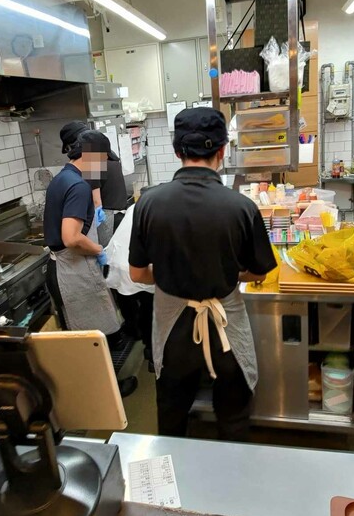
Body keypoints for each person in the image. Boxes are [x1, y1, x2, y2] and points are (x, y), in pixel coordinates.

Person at [129, 107, 277, 441]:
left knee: (171, 414)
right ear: (222, 150)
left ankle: (172, 484)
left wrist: (168, 271)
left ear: (177, 150)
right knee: (234, 414)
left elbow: (137, 274)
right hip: (226, 327)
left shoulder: (149, 203)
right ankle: (231, 480)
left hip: (172, 332)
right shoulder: (240, 206)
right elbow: (257, 272)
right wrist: (228, 272)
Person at [44, 128, 137, 397]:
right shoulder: (78, 186)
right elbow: (71, 237)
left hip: (65, 266)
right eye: (102, 160)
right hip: (72, 268)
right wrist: (99, 250)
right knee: (92, 338)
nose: (103, 167)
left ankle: (99, 389)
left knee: (87, 335)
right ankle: (105, 393)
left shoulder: (63, 178)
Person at [104, 201, 155, 367]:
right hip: (136, 263)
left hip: (120, 260)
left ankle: (137, 332)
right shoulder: (159, 210)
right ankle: (151, 349)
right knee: (149, 307)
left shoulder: (136, 207)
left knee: (128, 300)